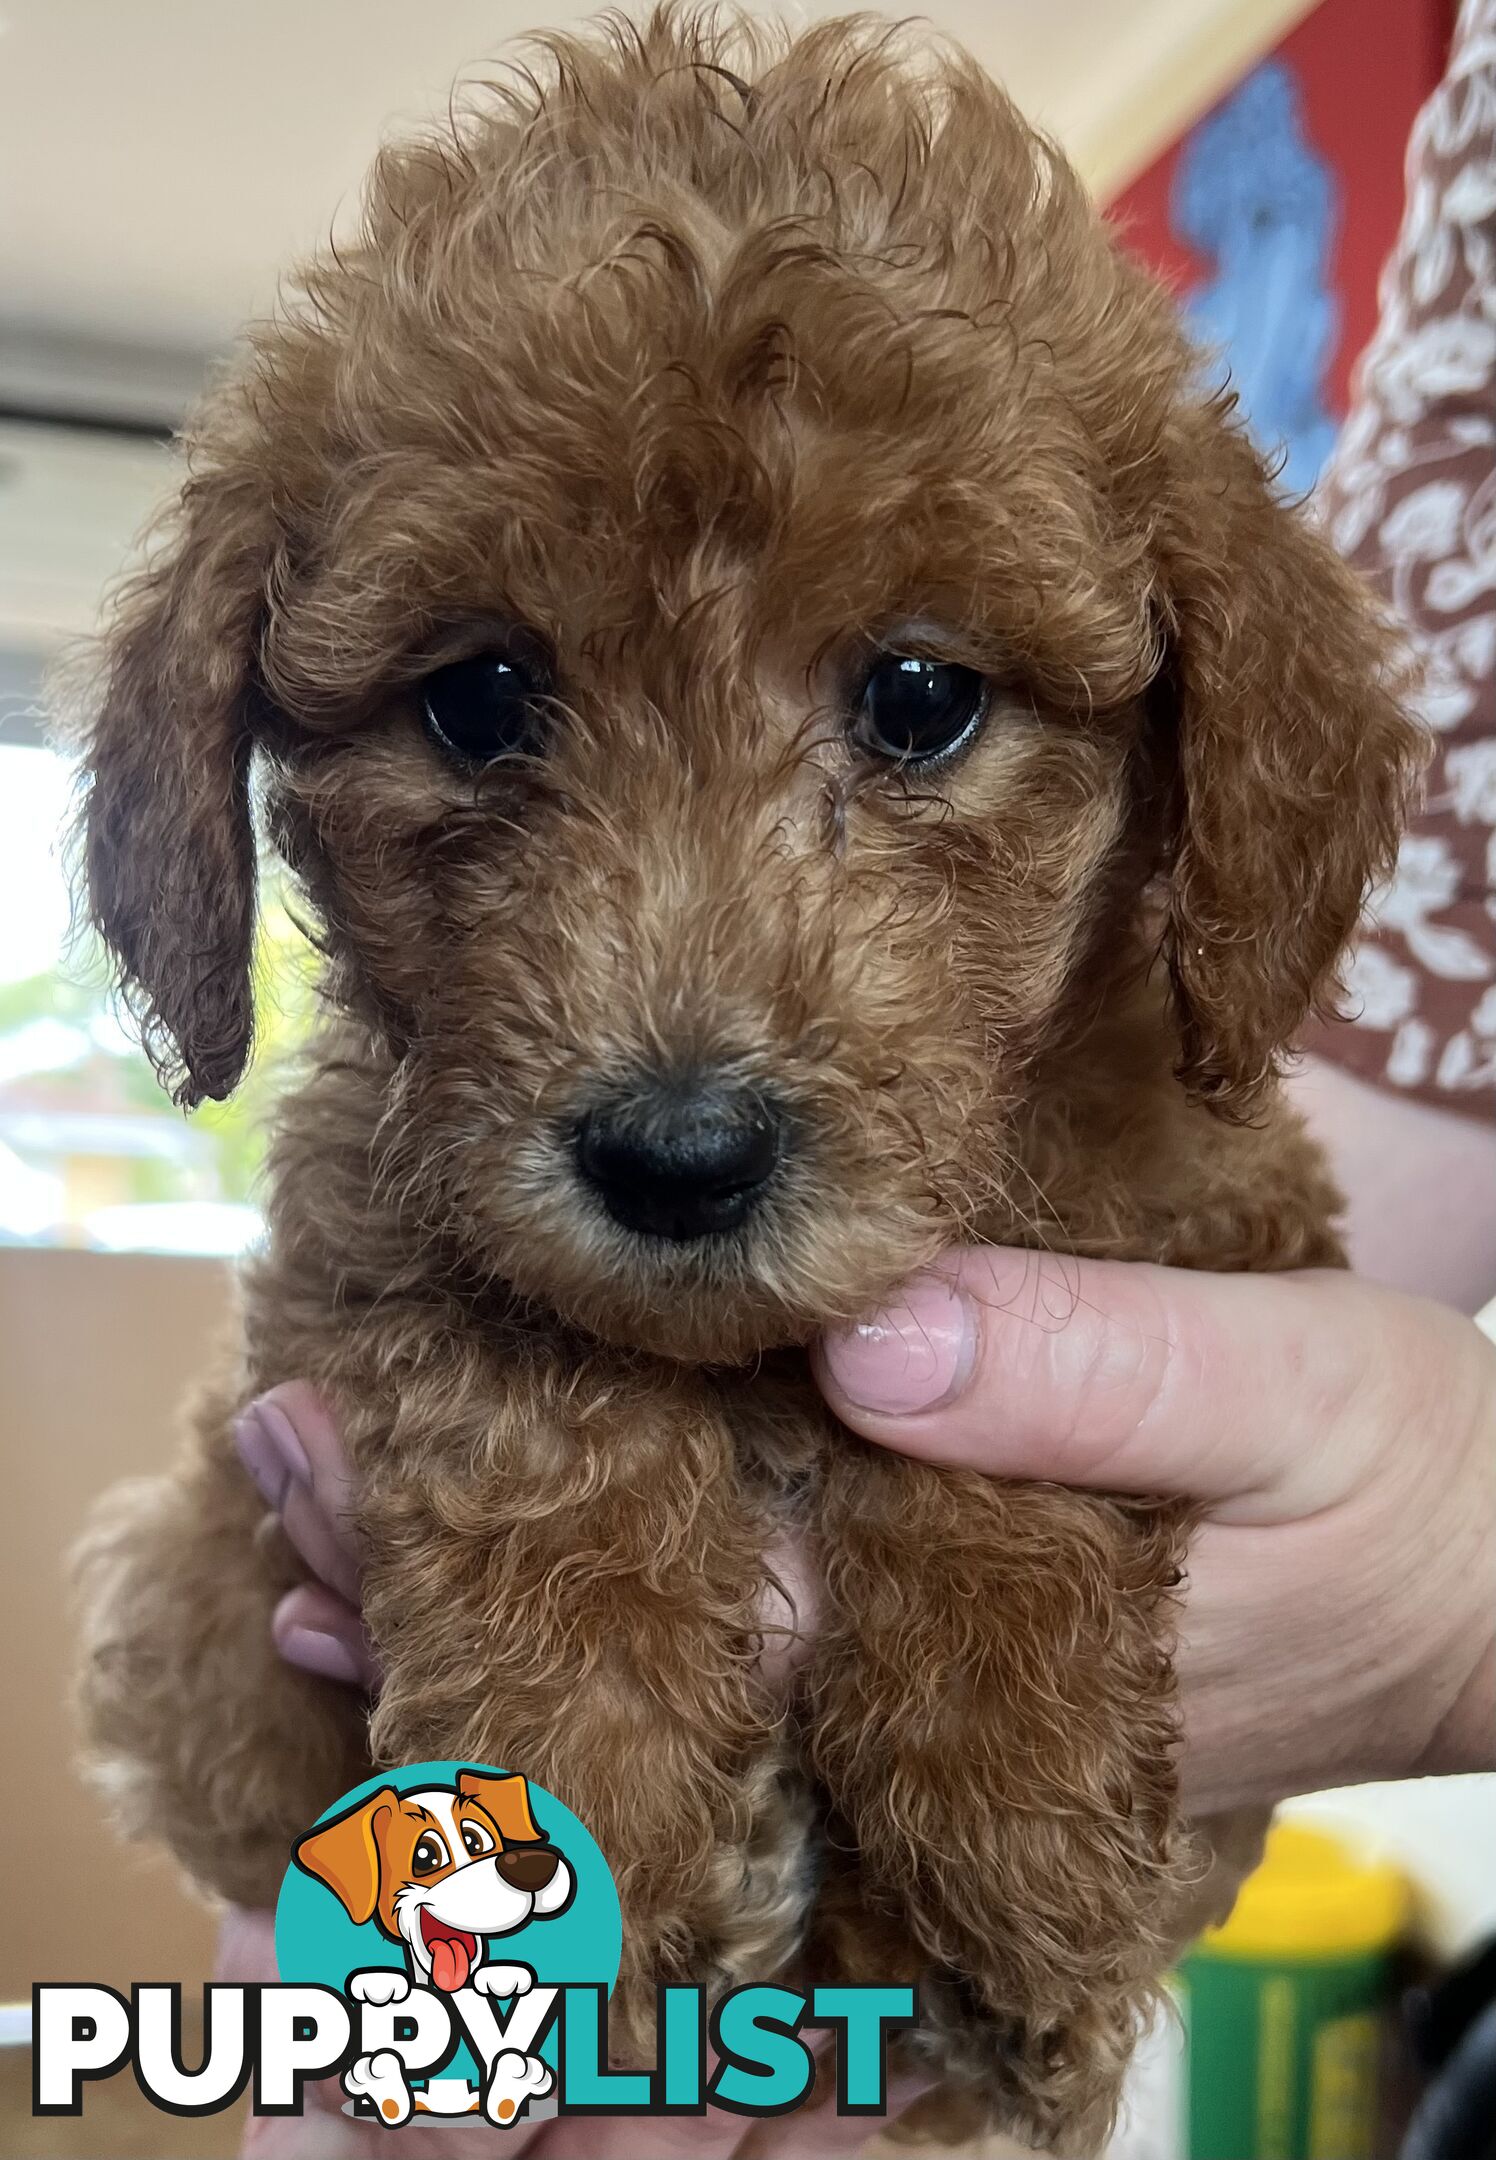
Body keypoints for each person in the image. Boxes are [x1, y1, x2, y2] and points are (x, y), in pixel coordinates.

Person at [220, 5, 1496, 2152]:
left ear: (1210, 736)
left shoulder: (1185, 926)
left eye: (913, 708)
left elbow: (1248, 1241)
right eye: (480, 703)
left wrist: (1432, 1579)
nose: (676, 1036)